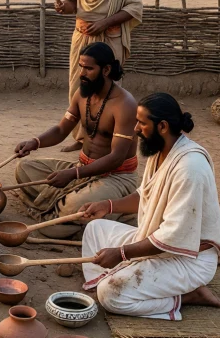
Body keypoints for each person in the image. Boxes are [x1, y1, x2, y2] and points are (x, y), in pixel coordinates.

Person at [76, 93, 220, 320]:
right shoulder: (161, 152)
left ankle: (189, 296)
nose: (135, 129)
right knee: (95, 229)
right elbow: (147, 195)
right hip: (160, 244)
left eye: (142, 123)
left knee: (109, 294)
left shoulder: (190, 169)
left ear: (162, 126)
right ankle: (132, 279)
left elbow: (172, 236)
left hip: (187, 260)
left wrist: (122, 253)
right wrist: (108, 205)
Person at [12, 42, 139, 238]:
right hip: (81, 167)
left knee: (70, 207)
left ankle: (94, 212)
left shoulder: (125, 104)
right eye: (81, 66)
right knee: (24, 169)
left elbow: (116, 158)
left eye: (89, 68)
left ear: (106, 70)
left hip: (115, 177)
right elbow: (61, 129)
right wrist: (34, 142)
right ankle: (74, 214)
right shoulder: (82, 94)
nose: (82, 73)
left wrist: (73, 174)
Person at [55, 0, 142, 152]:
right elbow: (73, 0)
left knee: (108, 92)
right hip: (82, 38)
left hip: (109, 40)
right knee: (78, 87)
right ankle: (82, 137)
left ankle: (108, 141)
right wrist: (65, 6)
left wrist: (104, 23)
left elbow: (134, 8)